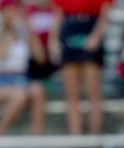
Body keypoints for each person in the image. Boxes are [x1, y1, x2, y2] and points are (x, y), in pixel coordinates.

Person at [49, 0, 114, 136]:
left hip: (91, 27)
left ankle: (94, 138)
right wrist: (53, 40)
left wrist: (96, 37)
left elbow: (106, 14)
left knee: (93, 91)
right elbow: (58, 16)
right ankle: (76, 139)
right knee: (71, 93)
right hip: (69, 30)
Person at [0, 0, 47, 136]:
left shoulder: (25, 34)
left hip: (21, 79)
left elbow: (40, 58)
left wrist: (29, 31)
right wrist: (11, 32)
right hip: (0, 80)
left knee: (38, 90)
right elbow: (1, 56)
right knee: (19, 95)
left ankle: (36, 139)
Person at [25, 0, 59, 81]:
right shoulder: (29, 10)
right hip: (36, 51)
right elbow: (31, 33)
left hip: (51, 50)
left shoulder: (56, 9)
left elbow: (55, 32)